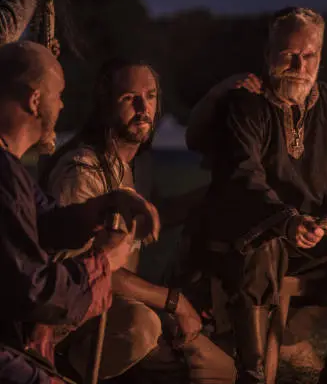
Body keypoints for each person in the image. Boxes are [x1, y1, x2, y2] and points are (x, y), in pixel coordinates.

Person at [185, 7, 327, 384]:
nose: (300, 64)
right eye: (289, 55)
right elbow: (241, 177)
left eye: (310, 56)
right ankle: (252, 370)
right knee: (261, 242)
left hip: (316, 235)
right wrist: (286, 221)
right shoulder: (245, 105)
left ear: (321, 56)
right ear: (269, 54)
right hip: (256, 231)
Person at [39, 59, 235, 383]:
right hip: (75, 322)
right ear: (105, 105)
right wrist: (173, 302)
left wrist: (214, 193)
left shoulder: (134, 164)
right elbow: (85, 272)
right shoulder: (81, 171)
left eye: (151, 96)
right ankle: (62, 374)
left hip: (118, 307)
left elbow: (155, 218)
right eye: (130, 98)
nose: (143, 107)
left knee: (222, 370)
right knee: (144, 328)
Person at [0, 41, 159, 384]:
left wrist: (101, 207)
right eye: (58, 95)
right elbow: (35, 291)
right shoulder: (6, 174)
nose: (61, 105)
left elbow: (44, 221)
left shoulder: (12, 172)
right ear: (34, 100)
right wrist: (101, 262)